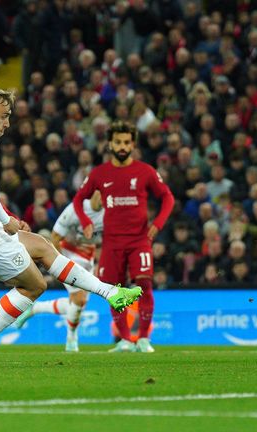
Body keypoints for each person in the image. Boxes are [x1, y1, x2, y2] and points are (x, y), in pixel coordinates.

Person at [0, 86, 142, 364]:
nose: (7, 123)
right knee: (33, 286)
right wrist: (6, 220)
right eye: (4, 116)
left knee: (43, 247)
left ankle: (111, 292)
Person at [73, 120, 175, 353]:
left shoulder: (145, 171)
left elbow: (168, 197)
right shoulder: (99, 174)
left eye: (127, 142)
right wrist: (86, 222)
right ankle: (126, 340)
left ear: (133, 145)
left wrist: (157, 224)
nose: (122, 146)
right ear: (110, 143)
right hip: (111, 242)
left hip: (139, 241)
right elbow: (79, 199)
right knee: (112, 289)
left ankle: (144, 339)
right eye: (118, 142)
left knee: (144, 286)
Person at [14, 191, 104, 352]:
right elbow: (55, 236)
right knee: (79, 300)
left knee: (78, 305)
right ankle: (71, 340)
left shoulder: (108, 211)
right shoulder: (75, 209)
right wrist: (61, 264)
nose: (106, 200)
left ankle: (35, 308)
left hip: (88, 258)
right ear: (96, 193)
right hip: (68, 254)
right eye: (103, 195)